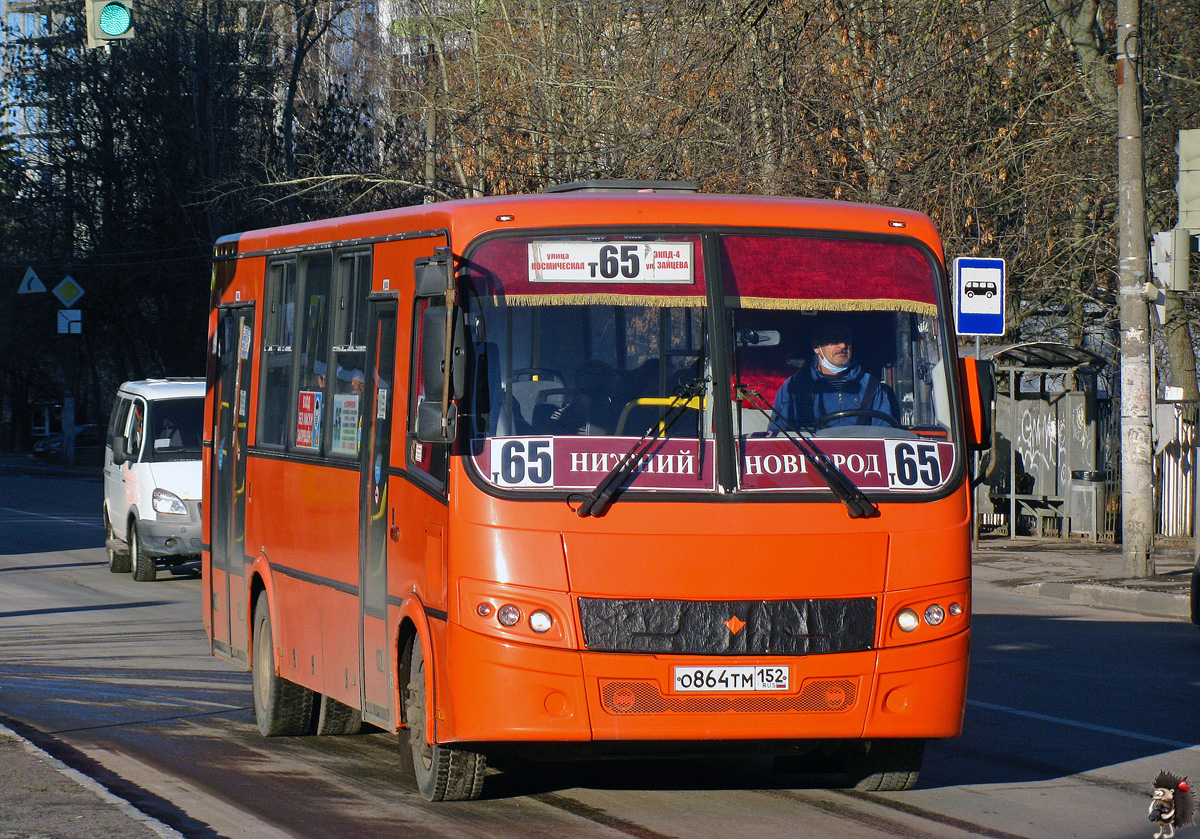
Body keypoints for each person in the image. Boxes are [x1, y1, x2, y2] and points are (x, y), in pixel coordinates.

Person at [771, 319, 900, 428]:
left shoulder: (871, 386)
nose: (843, 345)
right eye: (834, 339)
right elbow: (780, 438)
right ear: (817, 347)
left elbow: (884, 431)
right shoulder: (795, 387)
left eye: (847, 339)